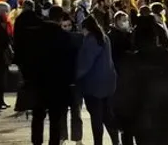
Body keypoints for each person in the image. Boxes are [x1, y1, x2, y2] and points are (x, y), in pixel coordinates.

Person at [30, 8, 78, 145]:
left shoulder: (36, 35)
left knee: (38, 115)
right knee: (55, 118)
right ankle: (54, 142)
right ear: (60, 19)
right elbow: (70, 62)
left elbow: (30, 58)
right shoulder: (64, 37)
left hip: (39, 81)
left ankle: (37, 141)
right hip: (59, 83)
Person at [76, 16, 119, 145]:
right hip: (108, 84)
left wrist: (75, 76)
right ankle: (116, 141)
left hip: (93, 86)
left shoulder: (90, 41)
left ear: (85, 29)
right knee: (107, 116)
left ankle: (98, 143)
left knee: (96, 118)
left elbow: (85, 64)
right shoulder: (104, 38)